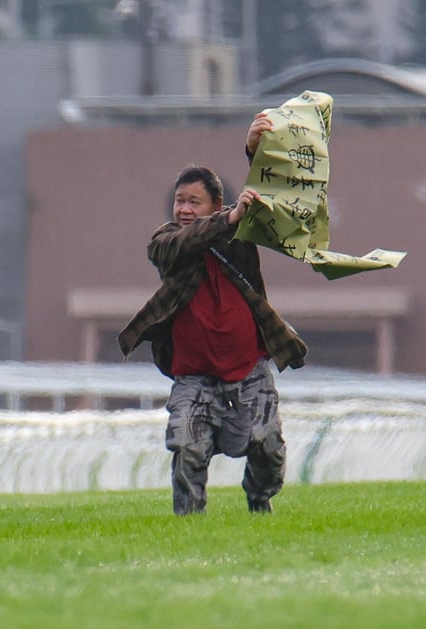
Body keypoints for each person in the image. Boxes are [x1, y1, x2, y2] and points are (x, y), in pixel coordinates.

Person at [118, 113, 307, 516]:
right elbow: (183, 243)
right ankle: (190, 525)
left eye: (193, 202)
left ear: (216, 203)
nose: (184, 209)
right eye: (180, 200)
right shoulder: (167, 241)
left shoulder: (241, 238)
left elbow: (267, 193)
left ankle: (259, 502)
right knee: (186, 446)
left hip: (249, 370)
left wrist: (254, 149)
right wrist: (227, 219)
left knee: (269, 449)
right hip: (194, 376)